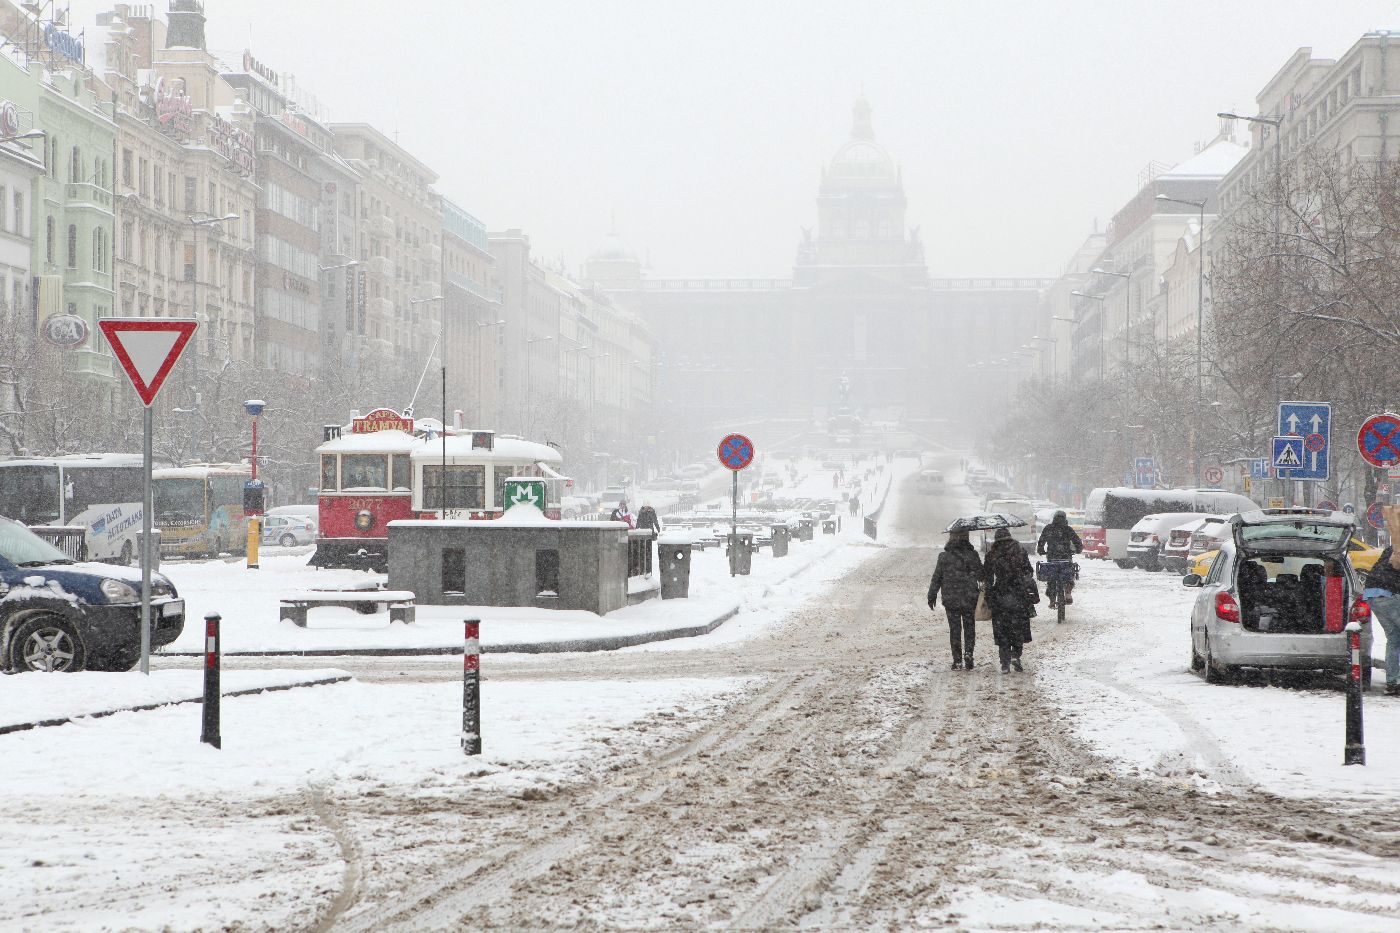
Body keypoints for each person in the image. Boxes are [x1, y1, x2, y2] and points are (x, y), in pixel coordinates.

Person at [927, 528, 984, 670]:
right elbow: (982, 575)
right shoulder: (973, 555)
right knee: (969, 627)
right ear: (967, 538)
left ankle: (957, 660)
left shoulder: (944, 557)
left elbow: (937, 578)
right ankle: (969, 653)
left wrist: (932, 595)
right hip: (969, 598)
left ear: (951, 538)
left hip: (951, 598)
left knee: (955, 629)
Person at [984, 527, 1037, 672]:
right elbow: (1029, 571)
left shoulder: (992, 554)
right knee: (1018, 627)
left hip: (1000, 595)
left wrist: (989, 597)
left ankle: (1004, 663)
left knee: (1002, 630)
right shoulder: (1020, 551)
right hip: (1019, 594)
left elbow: (987, 578)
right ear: (1010, 537)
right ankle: (1016, 655)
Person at [1363, 544, 1400, 696]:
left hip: (1371, 594)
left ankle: (1393, 682)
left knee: (1394, 638)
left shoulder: (1393, 548)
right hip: (1387, 594)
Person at [1036, 510, 1083, 607]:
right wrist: (1078, 549)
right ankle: (1068, 592)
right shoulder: (1067, 529)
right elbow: (1077, 541)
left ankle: (1052, 600)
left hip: (1052, 556)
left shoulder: (1048, 528)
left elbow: (1041, 541)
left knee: (1051, 578)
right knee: (1069, 574)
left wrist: (1041, 550)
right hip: (1066, 556)